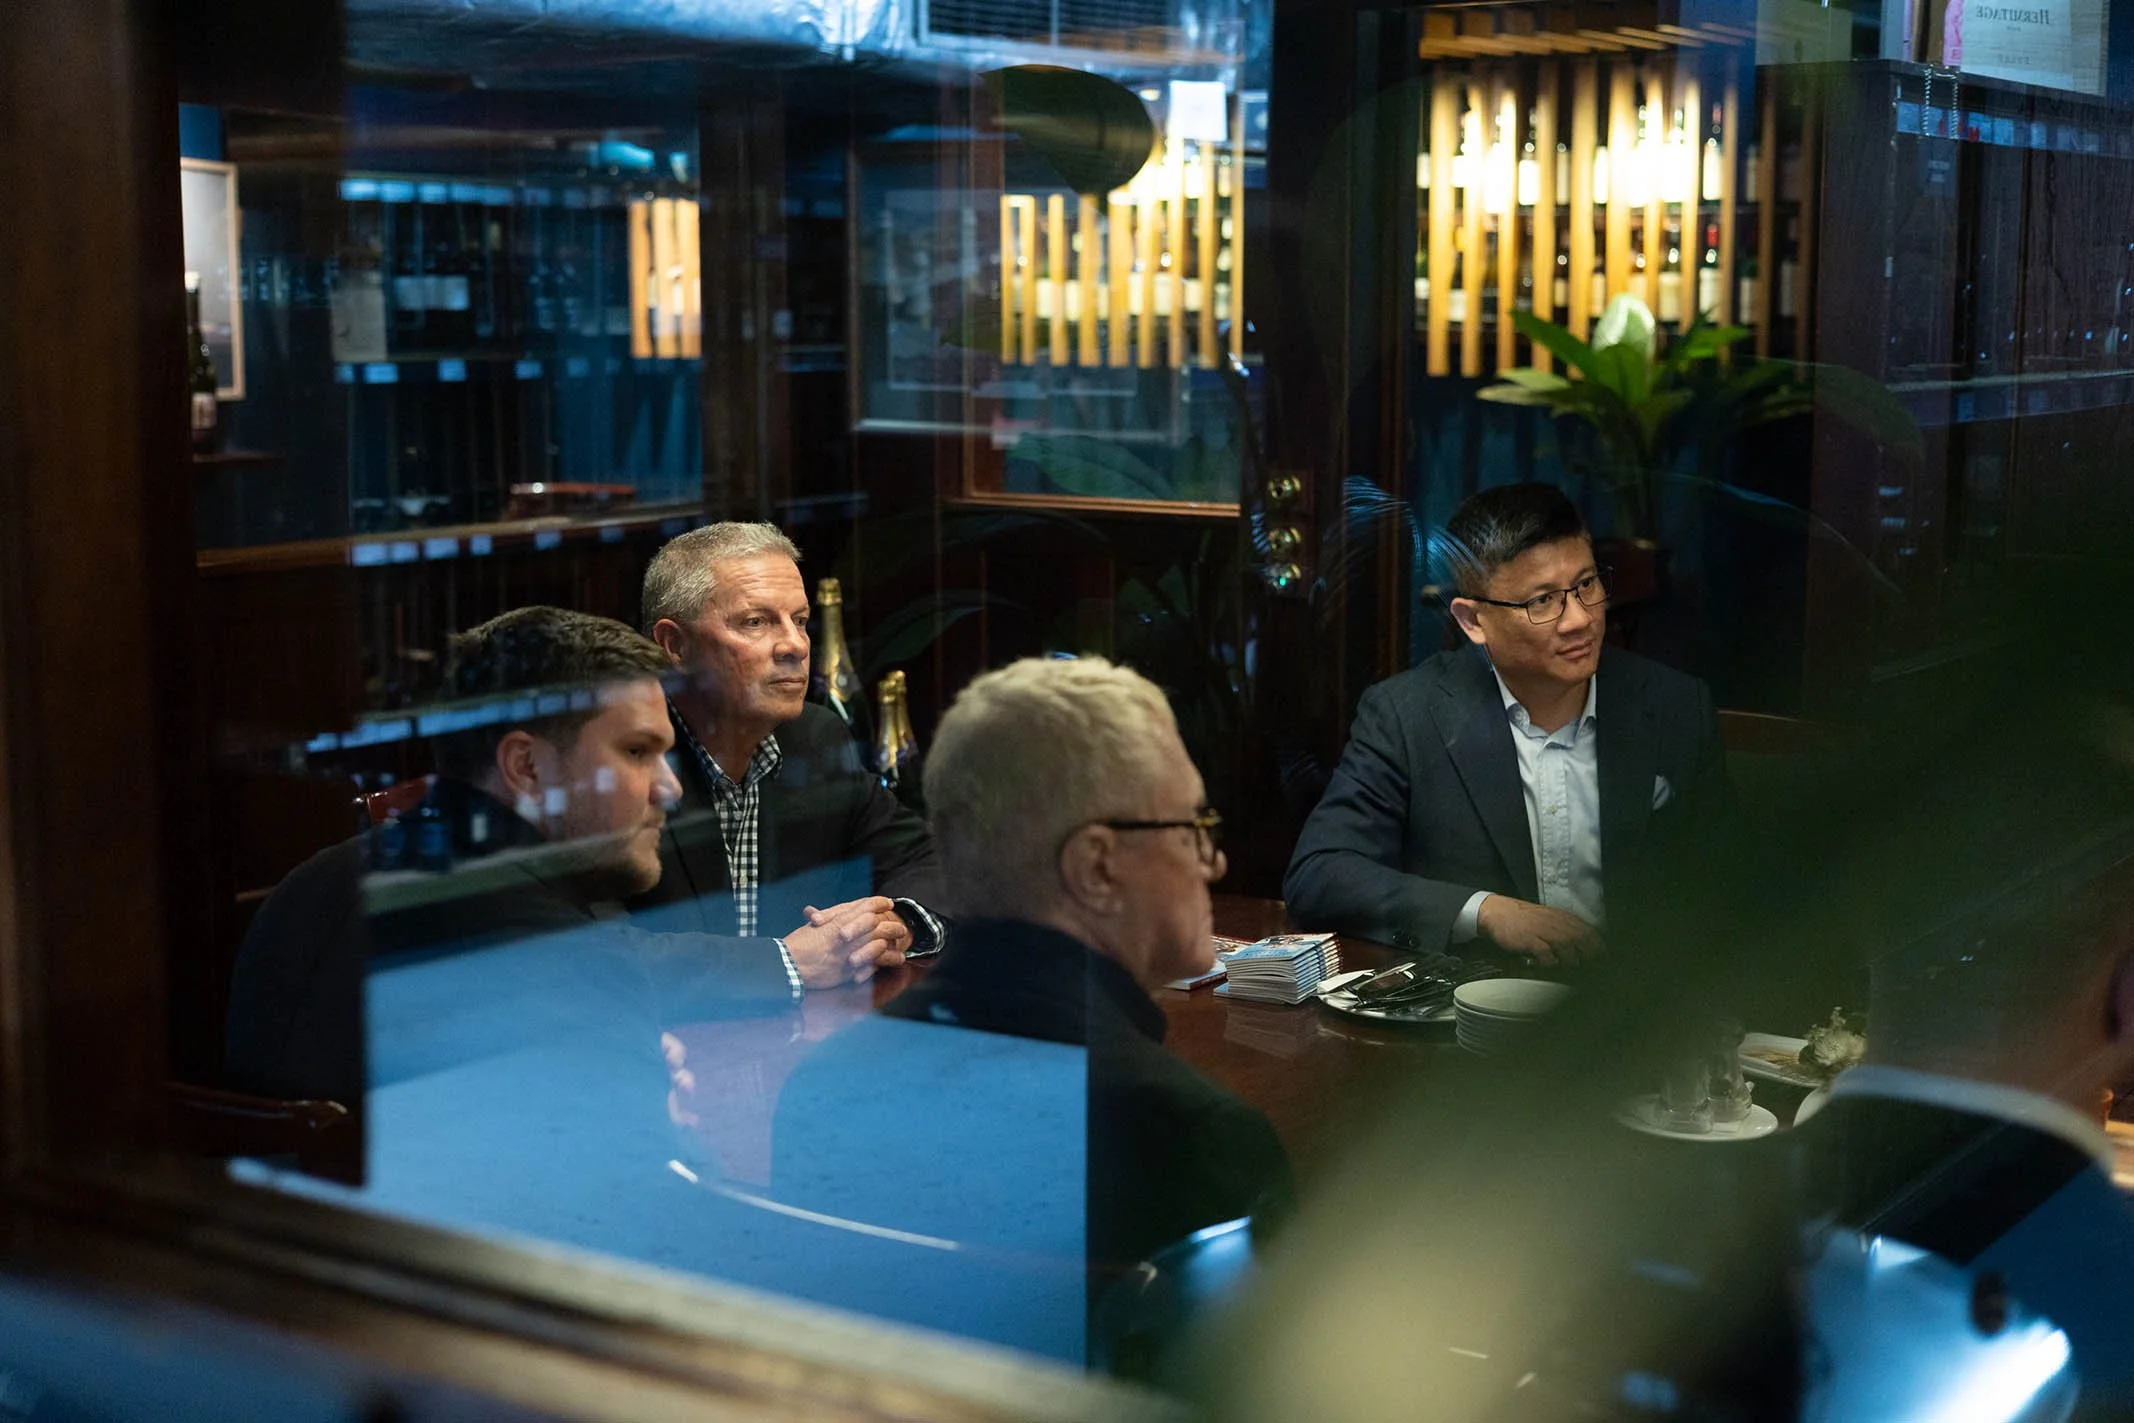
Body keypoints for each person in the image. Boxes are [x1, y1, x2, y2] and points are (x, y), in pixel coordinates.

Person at [772, 656, 1293, 1312]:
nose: (1213, 861)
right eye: (1192, 827)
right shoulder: (1194, 1139)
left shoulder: (820, 1086)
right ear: (1096, 866)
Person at [224, 607, 803, 1105]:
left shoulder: (306, 888)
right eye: (635, 752)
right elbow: (631, 1207)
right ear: (526, 768)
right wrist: (666, 1109)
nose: (669, 788)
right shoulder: (569, 961)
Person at [1284, 482, 1726, 963]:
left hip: (1630, 1016)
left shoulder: (1674, 707)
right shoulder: (1408, 715)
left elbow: (1726, 887)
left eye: (1586, 585)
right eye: (1541, 602)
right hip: (1464, 1015)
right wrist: (1483, 912)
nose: (1578, 619)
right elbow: (1320, 874)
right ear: (1473, 621)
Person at [632, 522, 946, 986]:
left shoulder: (815, 739)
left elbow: (928, 858)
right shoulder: (625, 761)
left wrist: (894, 924)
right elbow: (591, 950)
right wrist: (785, 965)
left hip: (795, 1044)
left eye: (799, 621)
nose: (795, 646)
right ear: (675, 645)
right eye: (755, 622)